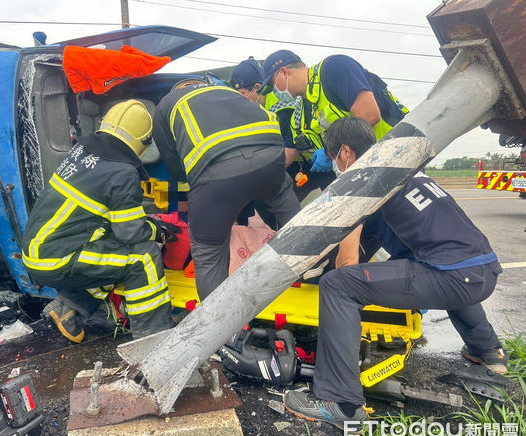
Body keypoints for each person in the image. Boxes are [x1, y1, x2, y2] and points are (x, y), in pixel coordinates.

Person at [283, 117, 506, 428]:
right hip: (483, 270)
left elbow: (347, 266)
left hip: (451, 278)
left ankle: (340, 402)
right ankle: (490, 355)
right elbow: (373, 243)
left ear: (345, 152)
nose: (334, 164)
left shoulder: (362, 183)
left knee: (337, 286)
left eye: (333, 157)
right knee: (446, 265)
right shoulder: (405, 170)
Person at [22, 100, 176, 342]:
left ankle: (65, 310)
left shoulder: (82, 153)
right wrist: (157, 229)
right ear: (144, 142)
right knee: (142, 257)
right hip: (58, 257)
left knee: (112, 253)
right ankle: (154, 338)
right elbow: (131, 233)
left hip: (39, 252)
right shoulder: (122, 172)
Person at [153, 81, 301, 300]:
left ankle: (218, 329)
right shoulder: (228, 92)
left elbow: (176, 170)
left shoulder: (167, 104)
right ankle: (307, 253)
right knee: (282, 192)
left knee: (209, 257)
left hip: (214, 180)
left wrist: (188, 200)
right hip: (271, 157)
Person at [258, 50, 408, 196]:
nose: (274, 92)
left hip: (395, 157)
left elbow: (369, 114)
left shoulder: (333, 68)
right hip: (366, 176)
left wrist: (330, 154)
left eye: (272, 85)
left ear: (284, 72)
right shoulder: (301, 114)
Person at [230, 57, 322, 202]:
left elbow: (290, 151)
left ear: (257, 86)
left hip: (309, 164)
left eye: (242, 94)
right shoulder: (260, 108)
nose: (241, 100)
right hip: (291, 164)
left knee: (276, 203)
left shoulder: (282, 106)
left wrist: (258, 176)